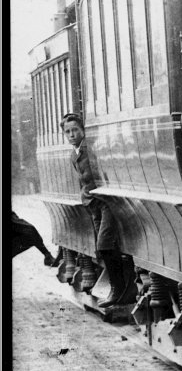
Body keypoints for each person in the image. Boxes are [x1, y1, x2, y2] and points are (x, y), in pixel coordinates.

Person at [60, 113, 130, 308]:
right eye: (68, 132)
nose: (72, 134)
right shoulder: (74, 154)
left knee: (105, 244)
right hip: (93, 205)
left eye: (75, 130)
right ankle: (118, 289)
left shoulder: (92, 149)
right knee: (103, 247)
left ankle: (118, 290)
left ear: (83, 130)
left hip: (105, 202)